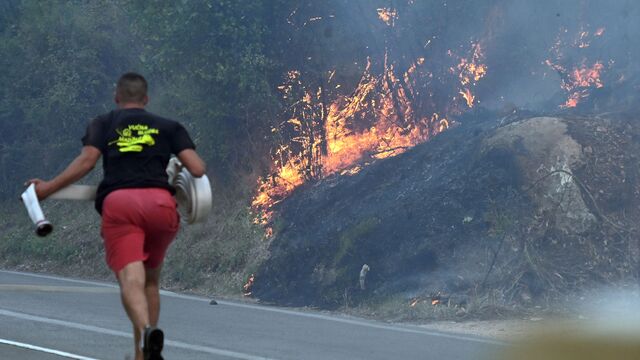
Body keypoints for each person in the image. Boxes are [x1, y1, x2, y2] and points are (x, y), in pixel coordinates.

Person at [27, 72, 205, 360]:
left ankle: (147, 329)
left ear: (116, 97)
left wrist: (47, 188)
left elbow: (86, 162)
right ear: (146, 99)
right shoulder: (169, 127)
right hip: (161, 206)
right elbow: (197, 169)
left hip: (122, 205)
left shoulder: (104, 122)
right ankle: (144, 354)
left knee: (130, 281)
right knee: (150, 282)